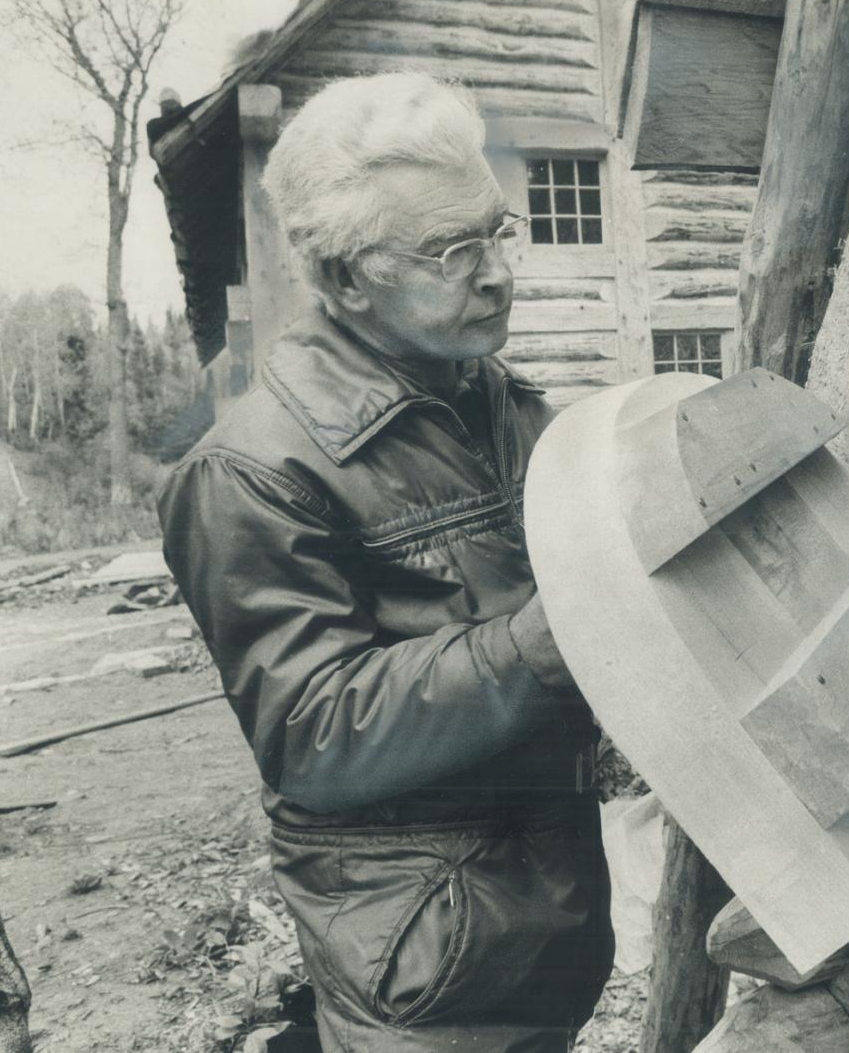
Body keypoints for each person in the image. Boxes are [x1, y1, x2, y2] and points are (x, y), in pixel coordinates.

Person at [157, 72, 613, 1053]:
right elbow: (311, 733)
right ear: (347, 278)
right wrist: (542, 642)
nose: (496, 272)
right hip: (421, 952)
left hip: (541, 917)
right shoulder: (252, 469)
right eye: (452, 250)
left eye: (497, 230)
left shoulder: (502, 407)